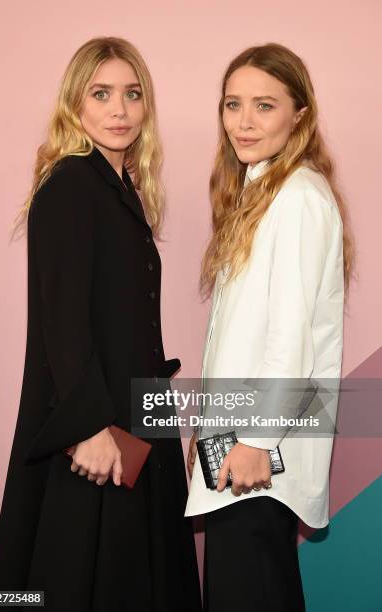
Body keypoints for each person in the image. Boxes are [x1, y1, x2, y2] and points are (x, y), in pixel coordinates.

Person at [0, 36, 202, 612]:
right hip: (97, 424)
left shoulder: (118, 188)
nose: (119, 110)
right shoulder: (70, 184)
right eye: (101, 93)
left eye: (132, 95)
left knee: (121, 575)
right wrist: (90, 427)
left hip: (134, 413)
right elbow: (64, 321)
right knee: (74, 573)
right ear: (74, 104)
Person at [185, 42, 354, 611]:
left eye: (264, 105)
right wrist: (212, 435)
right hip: (241, 442)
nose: (244, 121)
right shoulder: (263, 190)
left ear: (298, 114)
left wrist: (256, 439)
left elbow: (291, 338)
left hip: (261, 448)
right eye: (233, 105)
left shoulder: (299, 196)